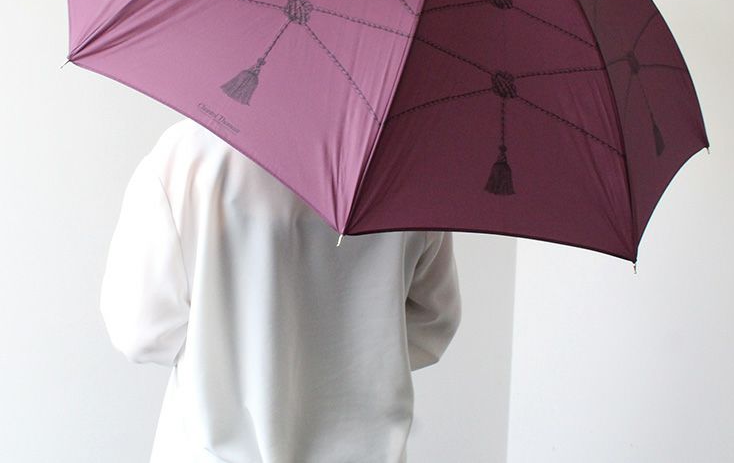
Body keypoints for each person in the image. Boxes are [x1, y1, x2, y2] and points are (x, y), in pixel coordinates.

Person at [100, 117, 462, 463]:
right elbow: (433, 324)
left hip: (212, 451)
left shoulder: (189, 152)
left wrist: (224, 350)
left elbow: (140, 332)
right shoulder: (411, 167)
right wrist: (347, 356)